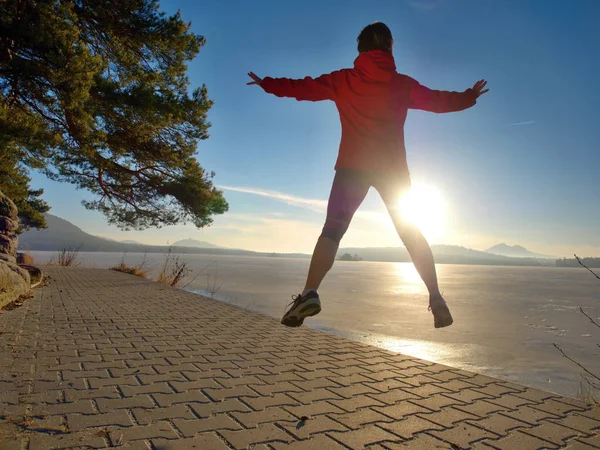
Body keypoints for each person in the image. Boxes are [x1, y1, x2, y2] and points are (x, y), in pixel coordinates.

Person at [247, 22, 488, 329]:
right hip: (393, 170)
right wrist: (469, 96)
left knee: (332, 231)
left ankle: (309, 293)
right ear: (390, 48)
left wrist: (268, 83)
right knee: (411, 234)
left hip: (352, 168)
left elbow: (302, 88)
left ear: (359, 49)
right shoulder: (402, 84)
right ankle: (436, 297)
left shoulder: (344, 80)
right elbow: (438, 101)